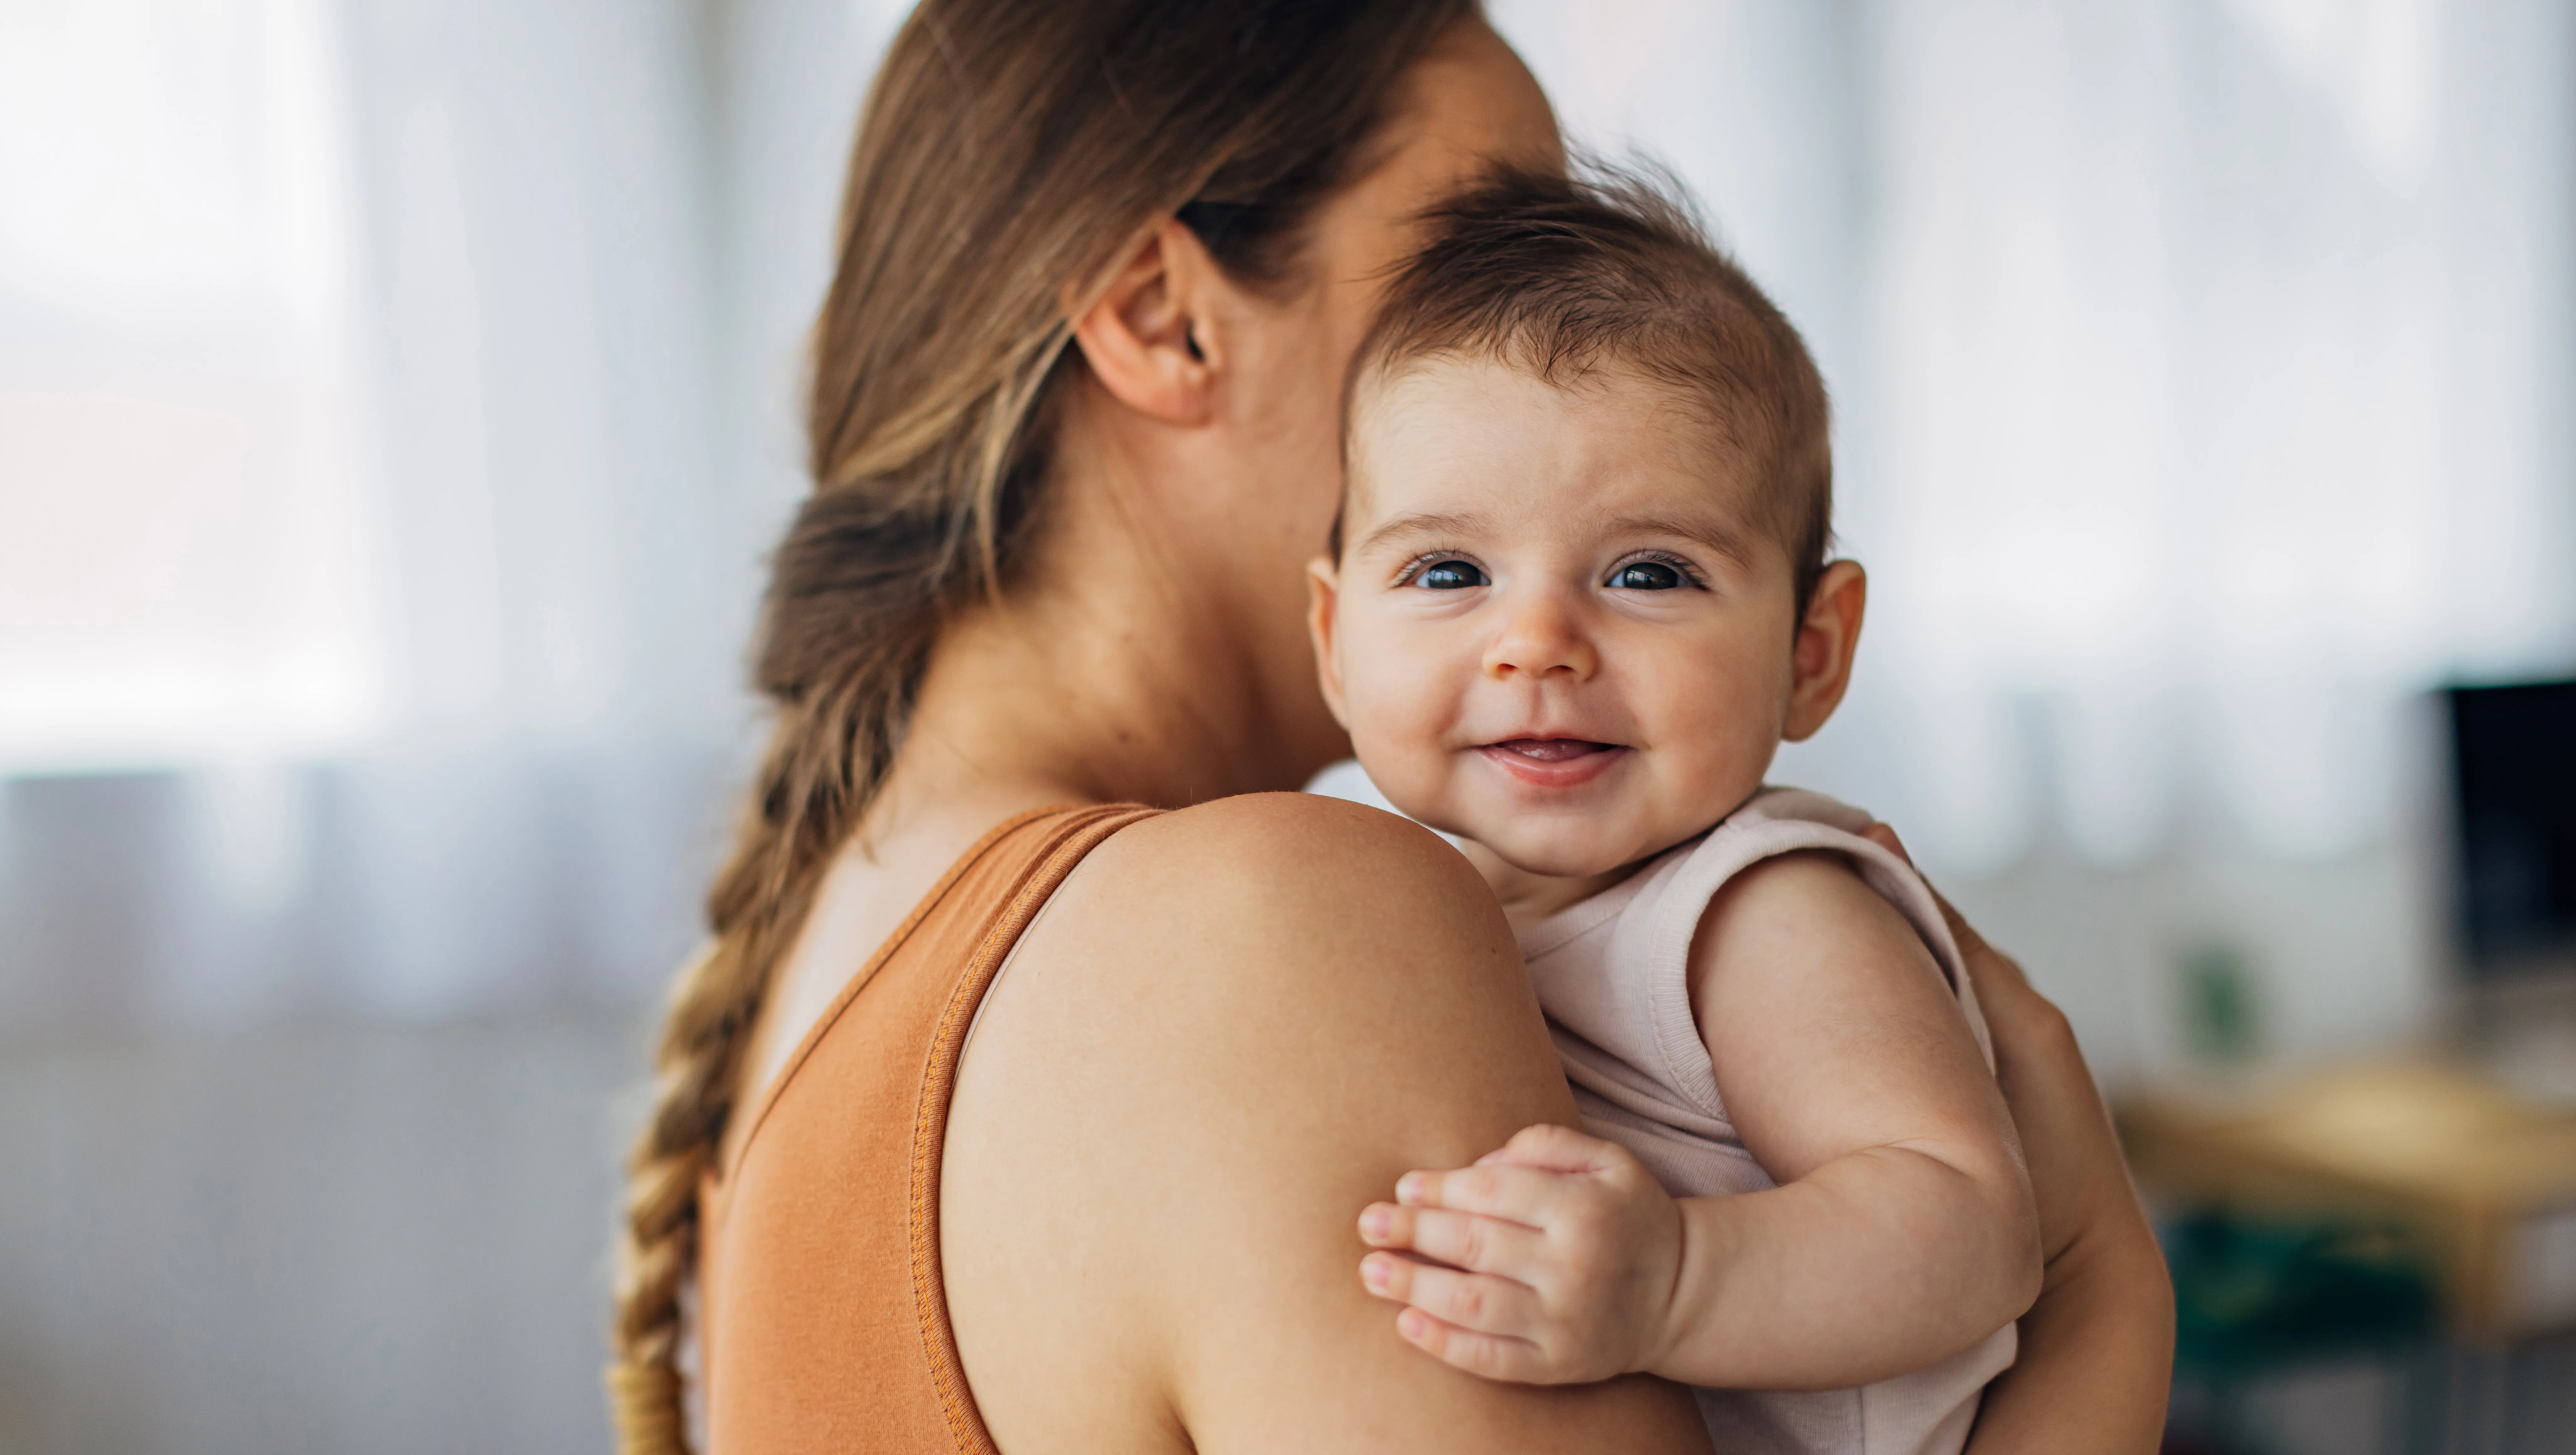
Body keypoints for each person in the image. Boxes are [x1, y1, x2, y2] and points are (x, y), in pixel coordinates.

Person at [605, 4, 2176, 1453]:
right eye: (1478, 264)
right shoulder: (1269, 931)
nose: (1588, 341)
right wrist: (2104, 1300)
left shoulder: (827, 961)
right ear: (1166, 316)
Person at [1307, 168, 2033, 1453]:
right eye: (1447, 569)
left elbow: (1968, 1231)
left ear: (1811, 650)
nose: (1534, 641)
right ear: (1332, 639)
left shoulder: (1755, 907)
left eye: (1647, 571)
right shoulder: (1395, 910)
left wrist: (1678, 1277)